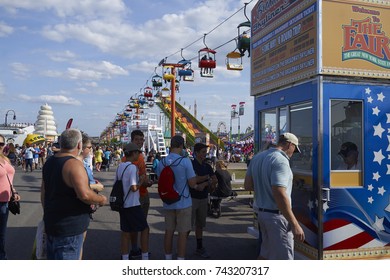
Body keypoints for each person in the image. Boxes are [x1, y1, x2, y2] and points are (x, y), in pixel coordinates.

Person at [41, 128, 107, 260]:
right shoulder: (74, 165)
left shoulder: (49, 162)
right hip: (69, 228)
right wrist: (101, 199)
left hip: (52, 223)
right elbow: (85, 195)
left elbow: (43, 193)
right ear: (79, 145)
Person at [244, 132, 305, 260]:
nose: (293, 153)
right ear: (289, 145)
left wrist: (265, 188)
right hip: (277, 217)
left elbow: (248, 185)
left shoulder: (257, 157)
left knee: (265, 254)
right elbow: (279, 193)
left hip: (261, 213)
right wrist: (294, 224)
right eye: (294, 149)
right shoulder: (281, 161)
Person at [155, 135, 198, 260]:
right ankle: (180, 259)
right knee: (182, 233)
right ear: (181, 146)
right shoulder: (185, 161)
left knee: (169, 231)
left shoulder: (162, 162)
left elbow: (160, 179)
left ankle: (168, 258)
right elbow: (191, 183)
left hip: (168, 201)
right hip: (183, 201)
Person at [118, 143, 150, 260]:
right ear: (134, 153)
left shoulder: (121, 166)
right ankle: (145, 256)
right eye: (138, 152)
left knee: (126, 232)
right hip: (133, 204)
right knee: (145, 229)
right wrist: (141, 181)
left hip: (123, 204)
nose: (139, 155)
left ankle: (125, 257)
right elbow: (134, 188)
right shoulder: (132, 168)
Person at [128, 130, 153, 259]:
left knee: (135, 225)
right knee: (142, 226)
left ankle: (134, 249)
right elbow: (137, 180)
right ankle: (141, 252)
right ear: (132, 140)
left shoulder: (137, 156)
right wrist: (146, 182)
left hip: (140, 194)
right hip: (138, 195)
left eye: (141, 140)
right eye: (137, 139)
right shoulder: (134, 158)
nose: (140, 142)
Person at [190, 142, 217, 258]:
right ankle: (181, 247)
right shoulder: (192, 164)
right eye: (202, 152)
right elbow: (194, 179)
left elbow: (214, 179)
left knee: (200, 224)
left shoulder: (208, 166)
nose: (204, 154)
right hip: (192, 198)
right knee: (187, 225)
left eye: (205, 152)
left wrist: (206, 182)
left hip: (203, 198)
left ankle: (199, 247)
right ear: (196, 153)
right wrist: (207, 178)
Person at [0, 134, 21, 259]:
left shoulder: (5, 159)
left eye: (2, 144)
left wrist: (14, 191)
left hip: (6, 201)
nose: (0, 146)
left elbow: (9, 179)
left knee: (2, 234)